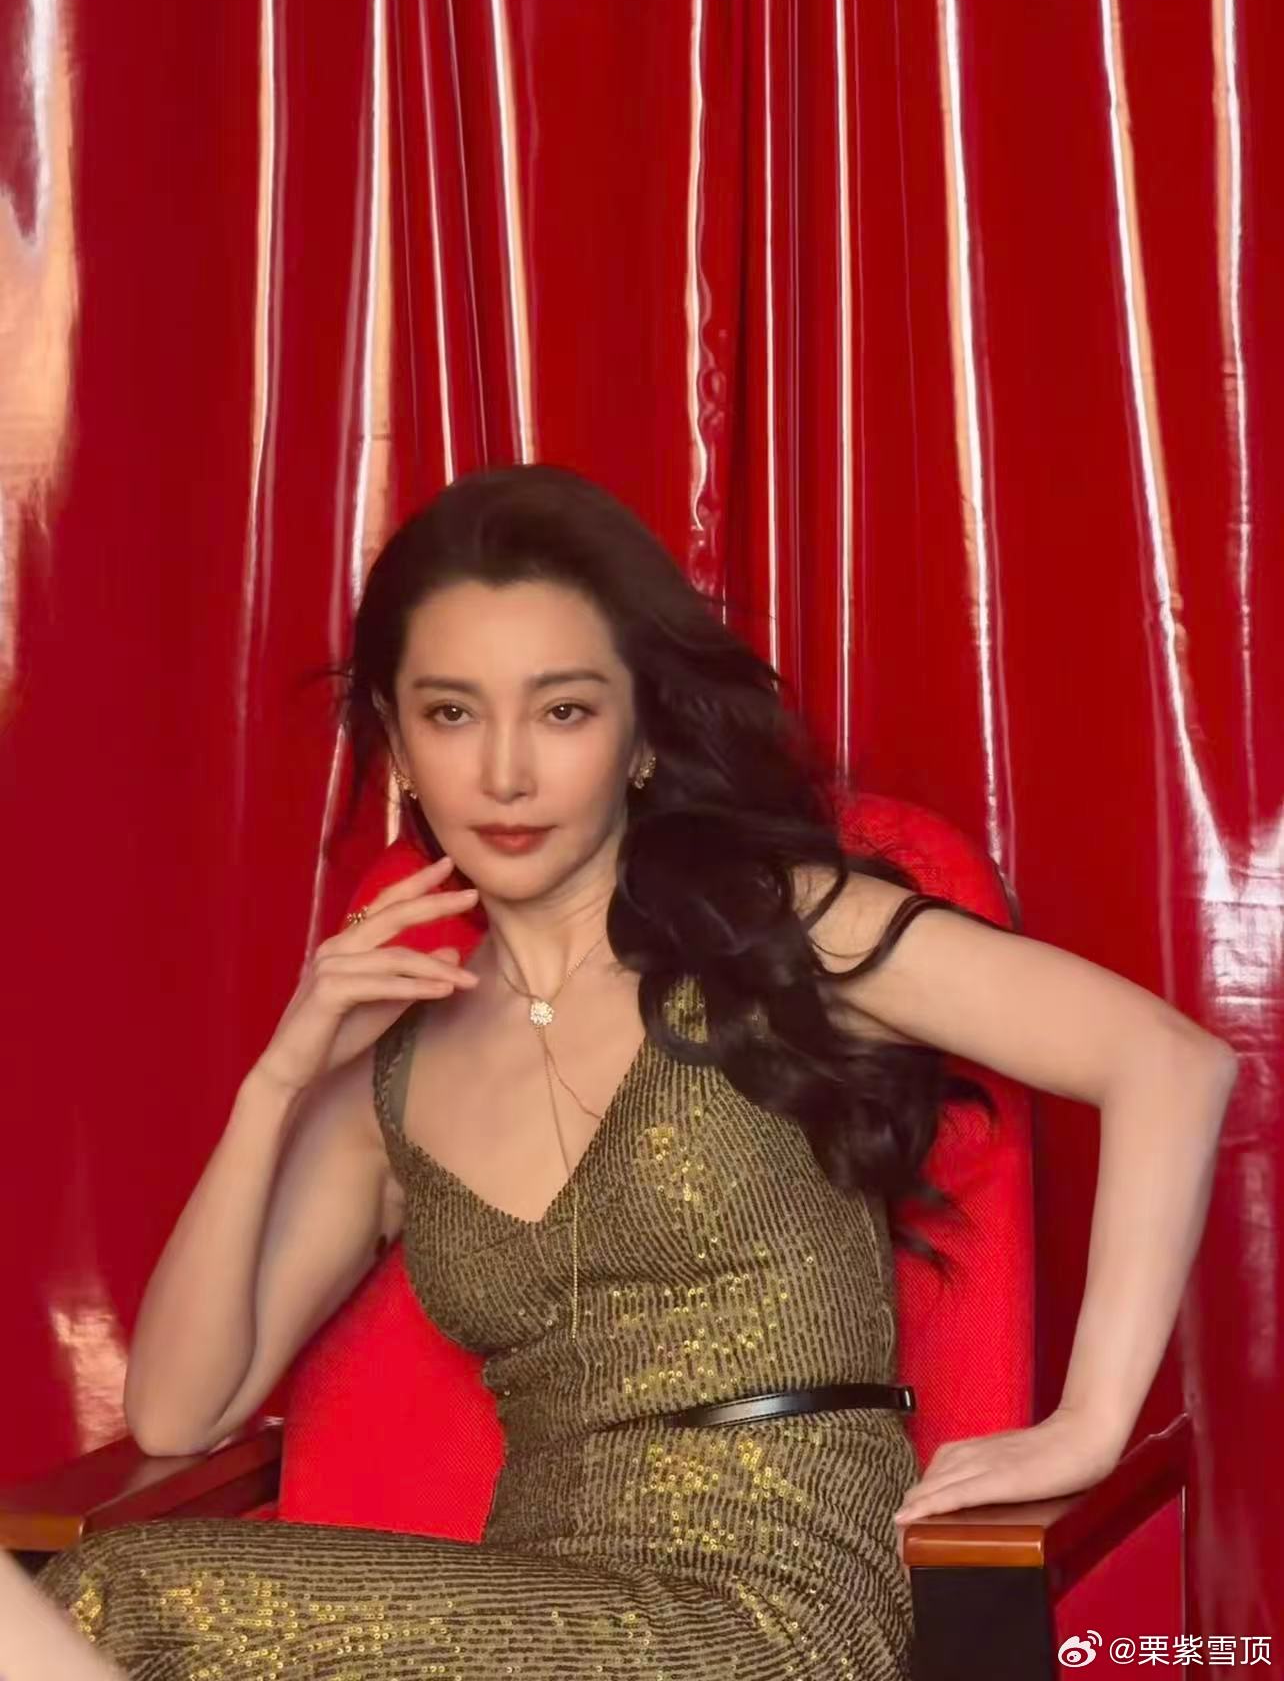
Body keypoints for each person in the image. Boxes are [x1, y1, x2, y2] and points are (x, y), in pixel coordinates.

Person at [31, 463, 1238, 1677]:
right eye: (453, 714)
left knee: (109, 1599)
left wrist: (1087, 1424)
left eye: (563, 710)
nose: (506, 772)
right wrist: (273, 1088)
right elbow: (179, 1411)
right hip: (532, 1614)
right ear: (398, 742)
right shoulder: (390, 1072)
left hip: (778, 1613)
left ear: (643, 734)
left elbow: (1166, 1062)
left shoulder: (782, 929)